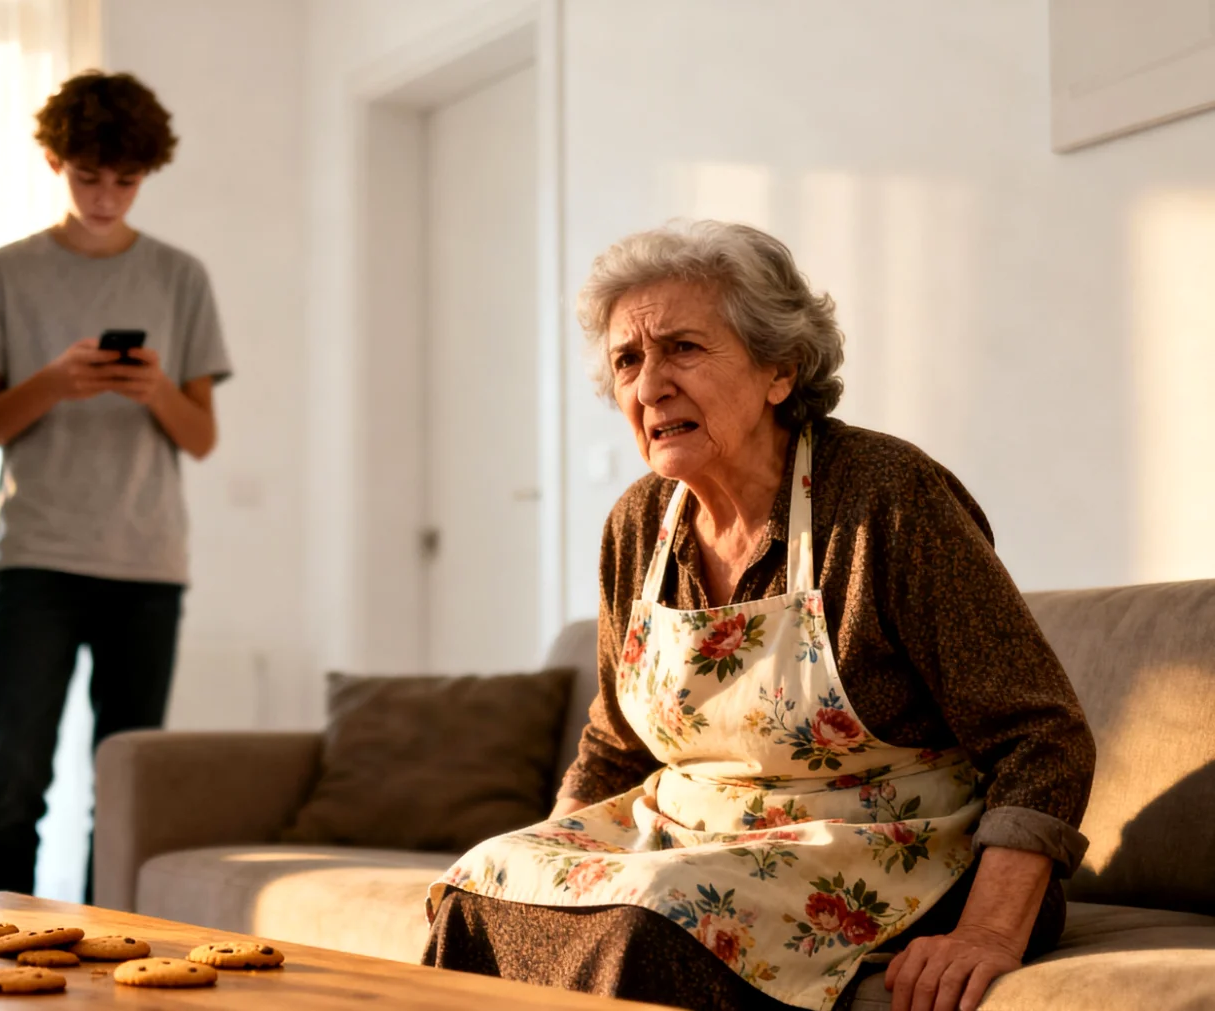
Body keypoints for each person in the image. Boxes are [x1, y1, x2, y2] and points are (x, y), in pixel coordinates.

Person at [424, 220, 1096, 1011]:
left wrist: (987, 932)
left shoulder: (886, 495)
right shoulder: (638, 523)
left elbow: (1041, 736)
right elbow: (614, 747)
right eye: (628, 360)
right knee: (480, 886)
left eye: (682, 348)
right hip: (694, 845)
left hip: (903, 856)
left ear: (780, 368)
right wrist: (549, 865)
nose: (650, 386)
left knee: (649, 920)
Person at [0, 70, 232, 897]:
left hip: (148, 566)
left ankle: (112, 948)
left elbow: (202, 437)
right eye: (87, 177)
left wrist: (156, 391)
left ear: (148, 173)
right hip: (35, 559)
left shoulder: (182, 276)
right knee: (13, 780)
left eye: (126, 180)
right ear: (54, 161)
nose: (106, 197)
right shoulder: (4, 272)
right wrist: (52, 382)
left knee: (125, 791)